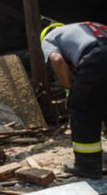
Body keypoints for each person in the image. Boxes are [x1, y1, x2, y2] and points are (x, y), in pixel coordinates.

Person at [40, 21, 107, 179]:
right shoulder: (92, 26)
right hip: (100, 51)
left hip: (96, 57)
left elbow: (56, 60)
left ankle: (88, 166)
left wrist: (71, 89)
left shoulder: (49, 37)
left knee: (83, 112)